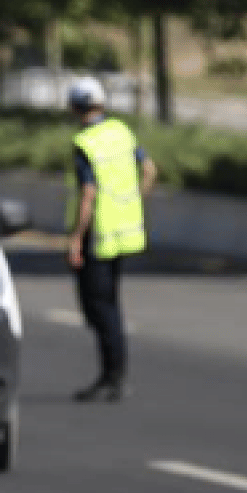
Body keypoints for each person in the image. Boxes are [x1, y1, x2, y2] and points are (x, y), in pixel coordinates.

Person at [65, 76, 157, 402]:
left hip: (99, 235)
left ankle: (113, 376)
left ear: (74, 107)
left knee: (100, 308)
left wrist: (76, 238)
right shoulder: (121, 131)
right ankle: (113, 374)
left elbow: (88, 193)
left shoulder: (85, 142)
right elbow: (149, 169)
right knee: (110, 305)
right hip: (124, 231)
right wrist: (133, 202)